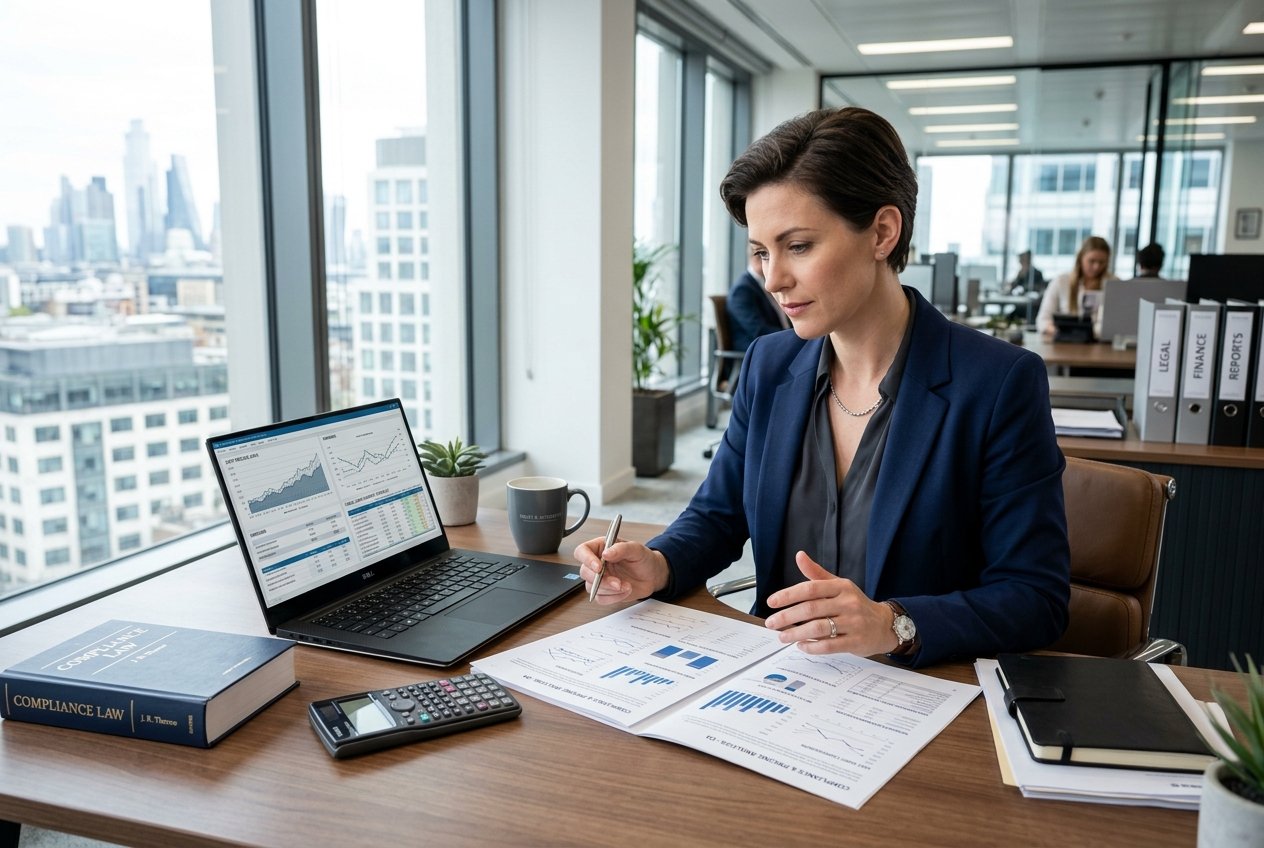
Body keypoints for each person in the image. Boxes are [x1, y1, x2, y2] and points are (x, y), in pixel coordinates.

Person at [576, 107, 1070, 668]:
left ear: (882, 233)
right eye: (761, 252)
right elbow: (717, 516)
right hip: (777, 679)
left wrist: (894, 623)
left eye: (799, 246)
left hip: (916, 688)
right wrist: (659, 563)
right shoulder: (769, 364)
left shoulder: (998, 382)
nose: (773, 279)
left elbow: (1036, 597)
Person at [1036, 235, 1118, 338]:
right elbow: (1043, 320)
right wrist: (1064, 332)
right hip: (1066, 342)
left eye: (1101, 262)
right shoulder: (1061, 282)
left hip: (1101, 343)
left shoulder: (1115, 284)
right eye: (1091, 261)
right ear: (1080, 258)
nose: (1096, 267)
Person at [727, 257, 788, 353]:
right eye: (766, 256)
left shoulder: (761, 283)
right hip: (754, 351)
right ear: (756, 259)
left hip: (772, 344)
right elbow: (758, 330)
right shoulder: (742, 290)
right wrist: (792, 337)